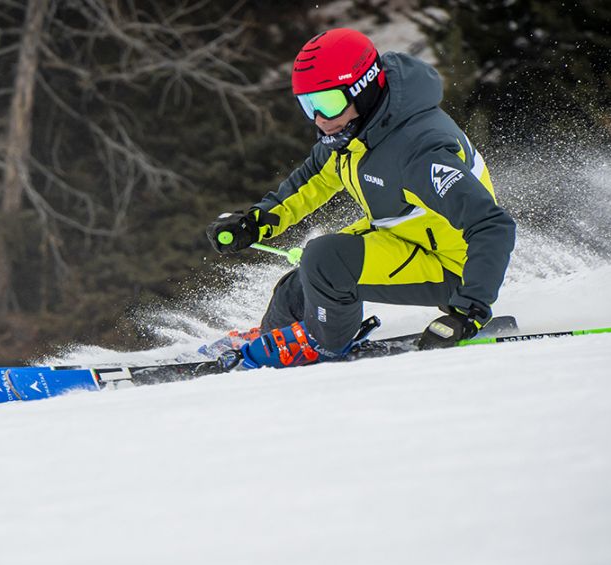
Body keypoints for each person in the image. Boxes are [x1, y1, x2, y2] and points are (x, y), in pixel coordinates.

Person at [206, 28, 515, 368]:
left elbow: (491, 224)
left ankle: (322, 345)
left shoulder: (417, 150)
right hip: (403, 239)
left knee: (325, 262)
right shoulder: (356, 130)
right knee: (299, 285)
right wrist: (255, 223)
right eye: (309, 105)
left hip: (452, 265)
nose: (320, 120)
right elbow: (311, 181)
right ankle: (275, 336)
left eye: (328, 102)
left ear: (364, 89)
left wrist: (468, 311)